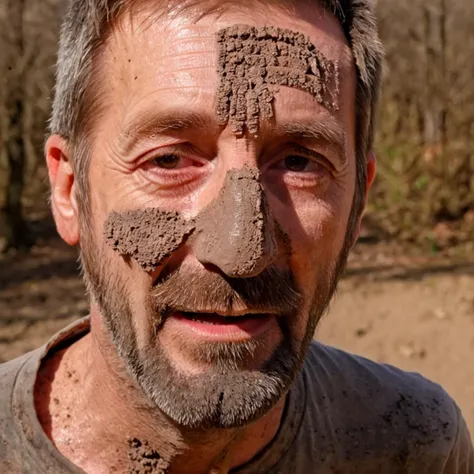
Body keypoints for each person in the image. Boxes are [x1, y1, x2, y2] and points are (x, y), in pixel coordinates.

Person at [1, 0, 473, 472]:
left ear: (357, 205)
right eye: (169, 160)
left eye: (299, 163)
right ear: (69, 191)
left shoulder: (417, 445)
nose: (242, 252)